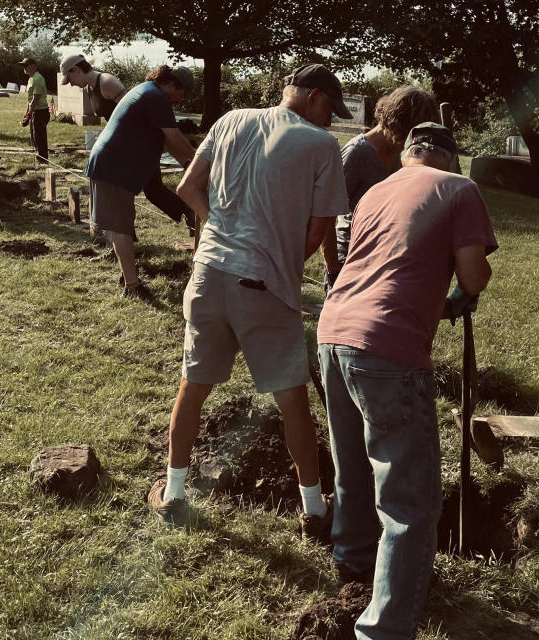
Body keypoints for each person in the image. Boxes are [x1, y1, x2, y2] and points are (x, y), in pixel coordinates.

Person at [146, 63, 351, 537]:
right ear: (314, 97)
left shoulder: (231, 119)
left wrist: (216, 227)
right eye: (329, 110)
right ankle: (315, 510)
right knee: (292, 400)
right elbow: (319, 231)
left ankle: (174, 492)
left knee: (193, 385)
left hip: (208, 276)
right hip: (262, 286)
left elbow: (187, 187)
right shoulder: (322, 146)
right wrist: (278, 258)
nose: (330, 121)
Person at [317, 122, 496, 639]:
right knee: (409, 498)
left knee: (352, 467)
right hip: (388, 350)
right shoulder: (460, 188)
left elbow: (376, 259)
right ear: (449, 160)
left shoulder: (376, 189)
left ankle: (352, 567)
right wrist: (460, 295)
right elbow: (473, 275)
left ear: (408, 156)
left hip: (333, 333)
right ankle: (385, 628)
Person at [85, 64, 198, 296]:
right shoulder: (156, 97)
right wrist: (200, 162)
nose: (179, 100)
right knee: (121, 226)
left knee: (123, 222)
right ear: (172, 84)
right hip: (113, 166)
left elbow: (167, 141)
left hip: (113, 164)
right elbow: (174, 137)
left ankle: (127, 273)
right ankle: (133, 286)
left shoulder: (149, 92)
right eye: (181, 94)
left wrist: (189, 166)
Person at [61, 54, 196, 232]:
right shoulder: (91, 89)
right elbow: (170, 136)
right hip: (124, 149)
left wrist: (190, 162)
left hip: (134, 147)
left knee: (149, 191)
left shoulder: (112, 84)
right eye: (181, 95)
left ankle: (189, 213)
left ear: (76, 69)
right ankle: (187, 214)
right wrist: (195, 160)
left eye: (69, 77)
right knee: (132, 199)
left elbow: (164, 133)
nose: (70, 83)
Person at [322, 86, 439, 289]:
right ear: (395, 122)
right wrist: (333, 270)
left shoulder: (403, 155)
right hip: (350, 260)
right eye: (408, 134)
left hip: (385, 260)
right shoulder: (357, 154)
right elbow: (325, 216)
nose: (409, 143)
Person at [21, 57, 49, 163]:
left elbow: (35, 98)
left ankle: (43, 159)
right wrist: (26, 114)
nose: (24, 68)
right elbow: (30, 99)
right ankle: (39, 156)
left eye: (26, 65)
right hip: (35, 110)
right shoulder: (31, 78)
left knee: (39, 136)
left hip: (41, 111)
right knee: (34, 135)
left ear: (33, 66)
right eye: (23, 65)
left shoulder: (38, 78)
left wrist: (28, 115)